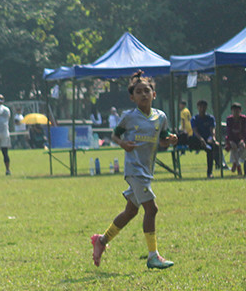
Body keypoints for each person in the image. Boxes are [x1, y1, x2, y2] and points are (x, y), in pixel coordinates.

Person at [90, 70, 177, 271]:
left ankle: (101, 240)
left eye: (147, 91)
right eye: (139, 92)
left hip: (146, 170)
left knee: (131, 211)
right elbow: (114, 135)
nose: (144, 94)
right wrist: (123, 144)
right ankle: (153, 256)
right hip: (134, 170)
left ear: (154, 94)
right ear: (132, 97)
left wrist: (170, 140)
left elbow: (163, 141)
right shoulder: (129, 117)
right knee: (152, 209)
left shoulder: (160, 117)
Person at [190, 100, 221, 178]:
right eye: (200, 107)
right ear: (197, 108)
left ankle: (213, 168)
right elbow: (195, 132)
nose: (202, 108)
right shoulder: (194, 119)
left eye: (204, 107)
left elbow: (212, 130)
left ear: (206, 108)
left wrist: (213, 138)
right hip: (197, 140)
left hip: (207, 140)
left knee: (213, 147)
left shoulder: (210, 118)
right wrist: (201, 140)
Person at [225, 102, 246, 177]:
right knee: (234, 147)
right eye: (234, 111)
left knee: (242, 147)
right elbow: (228, 131)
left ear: (240, 111)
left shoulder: (243, 119)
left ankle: (235, 163)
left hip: (241, 139)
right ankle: (238, 166)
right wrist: (230, 141)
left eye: (237, 111)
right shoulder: (229, 119)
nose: (236, 113)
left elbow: (244, 131)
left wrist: (242, 140)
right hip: (232, 139)